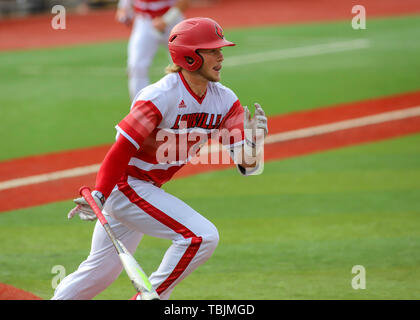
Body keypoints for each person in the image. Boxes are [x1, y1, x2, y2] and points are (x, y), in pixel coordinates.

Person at [52, 17, 268, 300]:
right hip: (125, 186)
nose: (221, 56)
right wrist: (101, 194)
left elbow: (247, 165)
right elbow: (121, 150)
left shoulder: (225, 101)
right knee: (201, 236)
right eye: (213, 50)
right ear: (190, 57)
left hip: (145, 190)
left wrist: (256, 143)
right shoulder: (159, 96)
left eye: (220, 49)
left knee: (98, 273)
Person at [116, 0, 192, 101]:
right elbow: (124, 7)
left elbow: (184, 2)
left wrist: (166, 19)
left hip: (172, 21)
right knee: (136, 66)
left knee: (186, 63)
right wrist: (124, 12)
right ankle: (141, 106)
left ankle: (191, 103)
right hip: (144, 22)